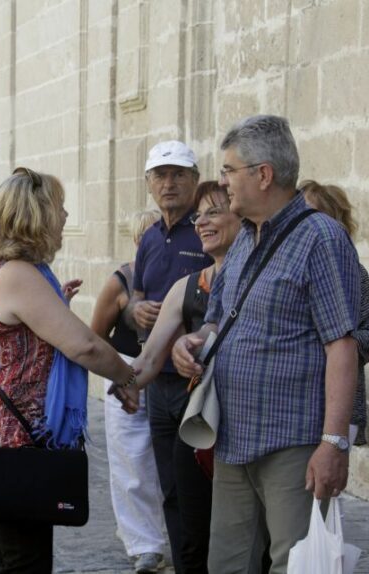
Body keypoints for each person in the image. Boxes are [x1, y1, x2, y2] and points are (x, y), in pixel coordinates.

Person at [171, 115, 360, 573]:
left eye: (230, 169)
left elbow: (342, 346)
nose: (222, 181)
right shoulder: (243, 240)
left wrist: (333, 443)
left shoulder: (320, 238)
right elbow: (217, 320)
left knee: (294, 563)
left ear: (263, 174)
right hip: (233, 439)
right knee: (229, 565)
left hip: (292, 444)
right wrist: (194, 341)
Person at [0, 167, 136, 573]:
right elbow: (85, 345)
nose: (66, 216)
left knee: (9, 559)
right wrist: (127, 377)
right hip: (13, 441)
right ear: (35, 216)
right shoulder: (18, 275)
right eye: (59, 207)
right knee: (25, 562)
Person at [117, 183, 242, 573]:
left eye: (213, 213)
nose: (201, 223)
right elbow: (149, 357)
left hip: (244, 423)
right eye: (198, 216)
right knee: (191, 526)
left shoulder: (256, 278)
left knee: (241, 534)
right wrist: (117, 377)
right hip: (198, 420)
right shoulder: (187, 286)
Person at [121, 140, 212, 573]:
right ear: (148, 184)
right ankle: (184, 562)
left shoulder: (208, 230)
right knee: (171, 487)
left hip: (199, 379)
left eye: (178, 174)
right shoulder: (151, 238)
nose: (169, 183)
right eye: (160, 175)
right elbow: (134, 296)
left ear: (195, 180)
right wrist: (132, 308)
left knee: (203, 486)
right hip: (158, 383)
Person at [89, 209, 166, 574]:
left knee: (172, 462)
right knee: (130, 462)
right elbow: (95, 335)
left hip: (172, 376)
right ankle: (144, 545)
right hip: (126, 371)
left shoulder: (182, 275)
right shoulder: (120, 281)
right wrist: (118, 375)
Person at [301, 180, 368, 446]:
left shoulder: (356, 273)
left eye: (310, 214)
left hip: (341, 409)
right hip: (295, 407)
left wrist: (336, 345)